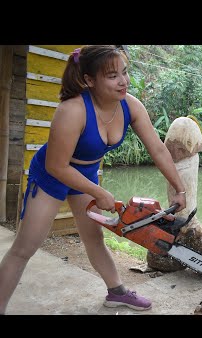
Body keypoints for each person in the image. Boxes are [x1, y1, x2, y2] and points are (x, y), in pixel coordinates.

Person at [0, 45, 187, 314]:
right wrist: (97, 192)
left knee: (94, 237)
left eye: (125, 72)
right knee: (25, 247)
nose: (123, 81)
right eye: (112, 76)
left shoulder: (130, 106)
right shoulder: (72, 110)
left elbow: (157, 148)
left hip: (85, 173)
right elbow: (56, 165)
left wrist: (179, 189)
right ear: (89, 80)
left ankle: (117, 292)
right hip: (52, 175)